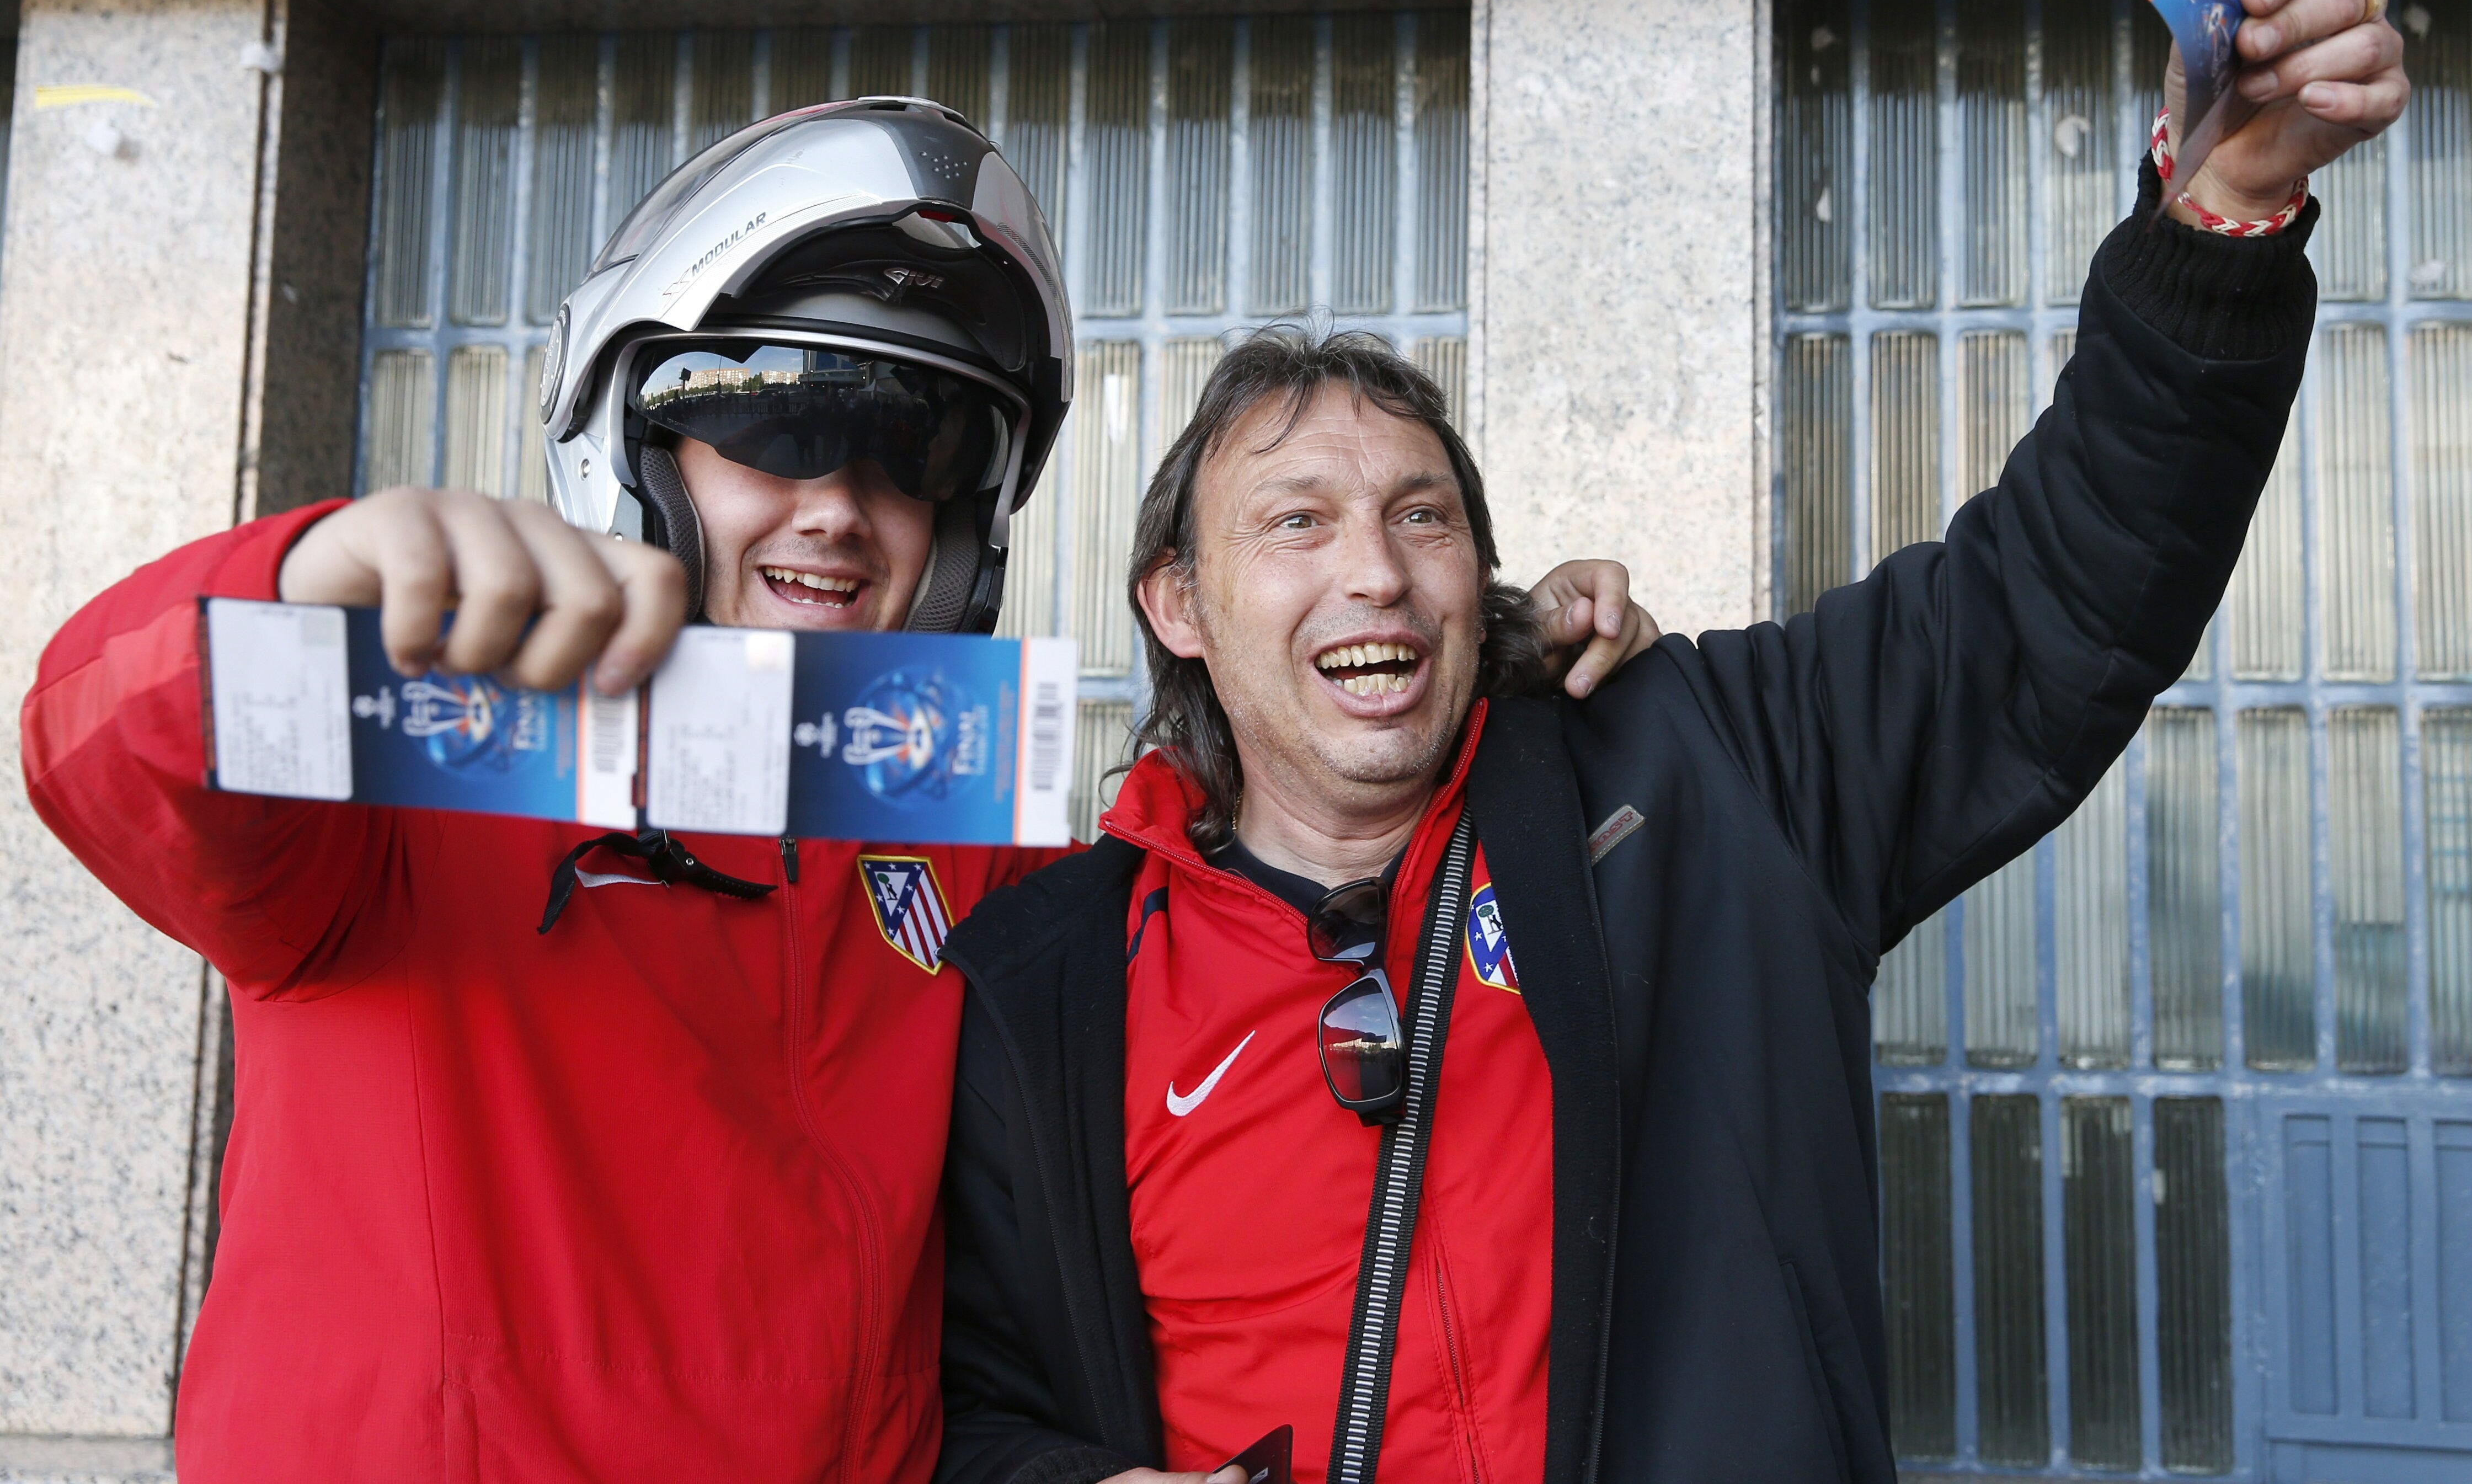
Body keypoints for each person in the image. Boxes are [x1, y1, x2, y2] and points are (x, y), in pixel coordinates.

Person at [928, 0, 2412, 1484]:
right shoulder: (1045, 983)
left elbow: (2051, 603)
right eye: (1296, 522)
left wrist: (2217, 218)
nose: (1373, 569)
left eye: (1423, 515)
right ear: (1177, 601)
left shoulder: (1705, 780)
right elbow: (952, 1402)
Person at [22, 98, 1656, 1484]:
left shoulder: (959, 841)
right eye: (776, 425)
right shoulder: (420, 758)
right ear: (638, 444)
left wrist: (1482, 662)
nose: (841, 510)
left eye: (917, 454)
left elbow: (1233, 881)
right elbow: (101, 749)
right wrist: (296, 588)